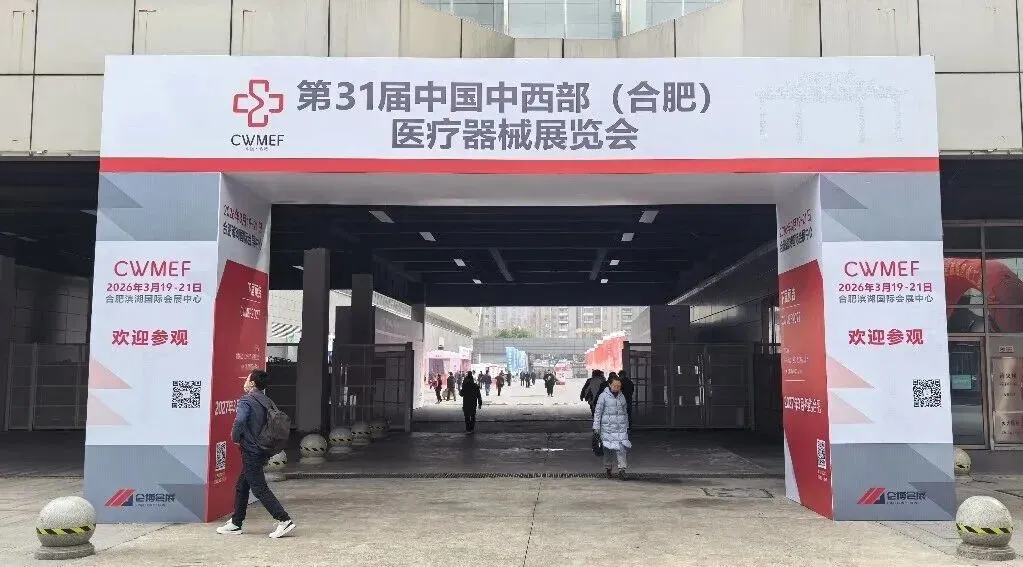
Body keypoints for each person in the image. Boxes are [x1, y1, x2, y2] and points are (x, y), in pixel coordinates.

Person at [216, 370, 296, 538]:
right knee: (242, 486)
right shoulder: (266, 400)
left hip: (251, 450)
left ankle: (284, 520)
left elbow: (240, 421)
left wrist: (235, 437)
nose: (244, 381)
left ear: (252, 383)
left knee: (259, 488)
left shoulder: (247, 400)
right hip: (262, 448)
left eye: (247, 378)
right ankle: (236, 523)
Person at [593, 376, 631, 480]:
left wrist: (627, 426)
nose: (617, 387)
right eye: (615, 385)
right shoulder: (603, 396)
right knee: (608, 450)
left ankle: (622, 470)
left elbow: (625, 412)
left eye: (619, 386)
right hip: (607, 429)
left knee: (622, 449)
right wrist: (596, 428)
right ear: (610, 385)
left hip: (620, 428)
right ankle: (608, 468)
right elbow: (598, 413)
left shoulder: (622, 396)